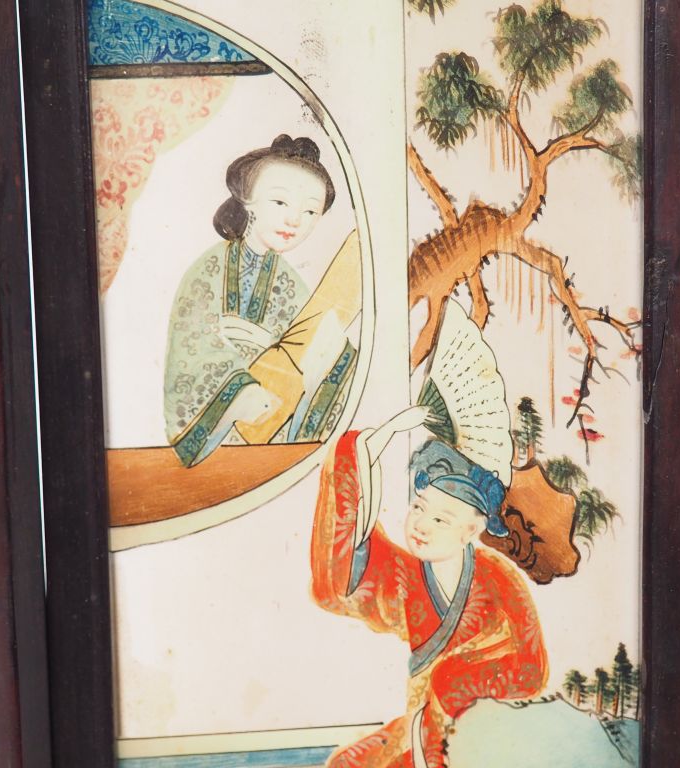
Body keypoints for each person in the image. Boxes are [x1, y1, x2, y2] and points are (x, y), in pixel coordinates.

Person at [311, 407, 549, 768]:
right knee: (348, 763)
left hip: (484, 727)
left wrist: (454, 683)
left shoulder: (498, 578)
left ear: (471, 531)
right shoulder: (407, 573)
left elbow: (531, 667)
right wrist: (387, 431)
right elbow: (351, 547)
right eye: (418, 508)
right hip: (422, 726)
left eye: (440, 519)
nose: (421, 525)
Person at [163, 134, 346, 467]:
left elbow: (314, 359)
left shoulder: (292, 285)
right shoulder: (208, 269)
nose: (295, 220)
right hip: (217, 432)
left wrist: (271, 347)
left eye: (310, 210)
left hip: (272, 436)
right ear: (248, 200)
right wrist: (243, 390)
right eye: (280, 203)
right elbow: (189, 353)